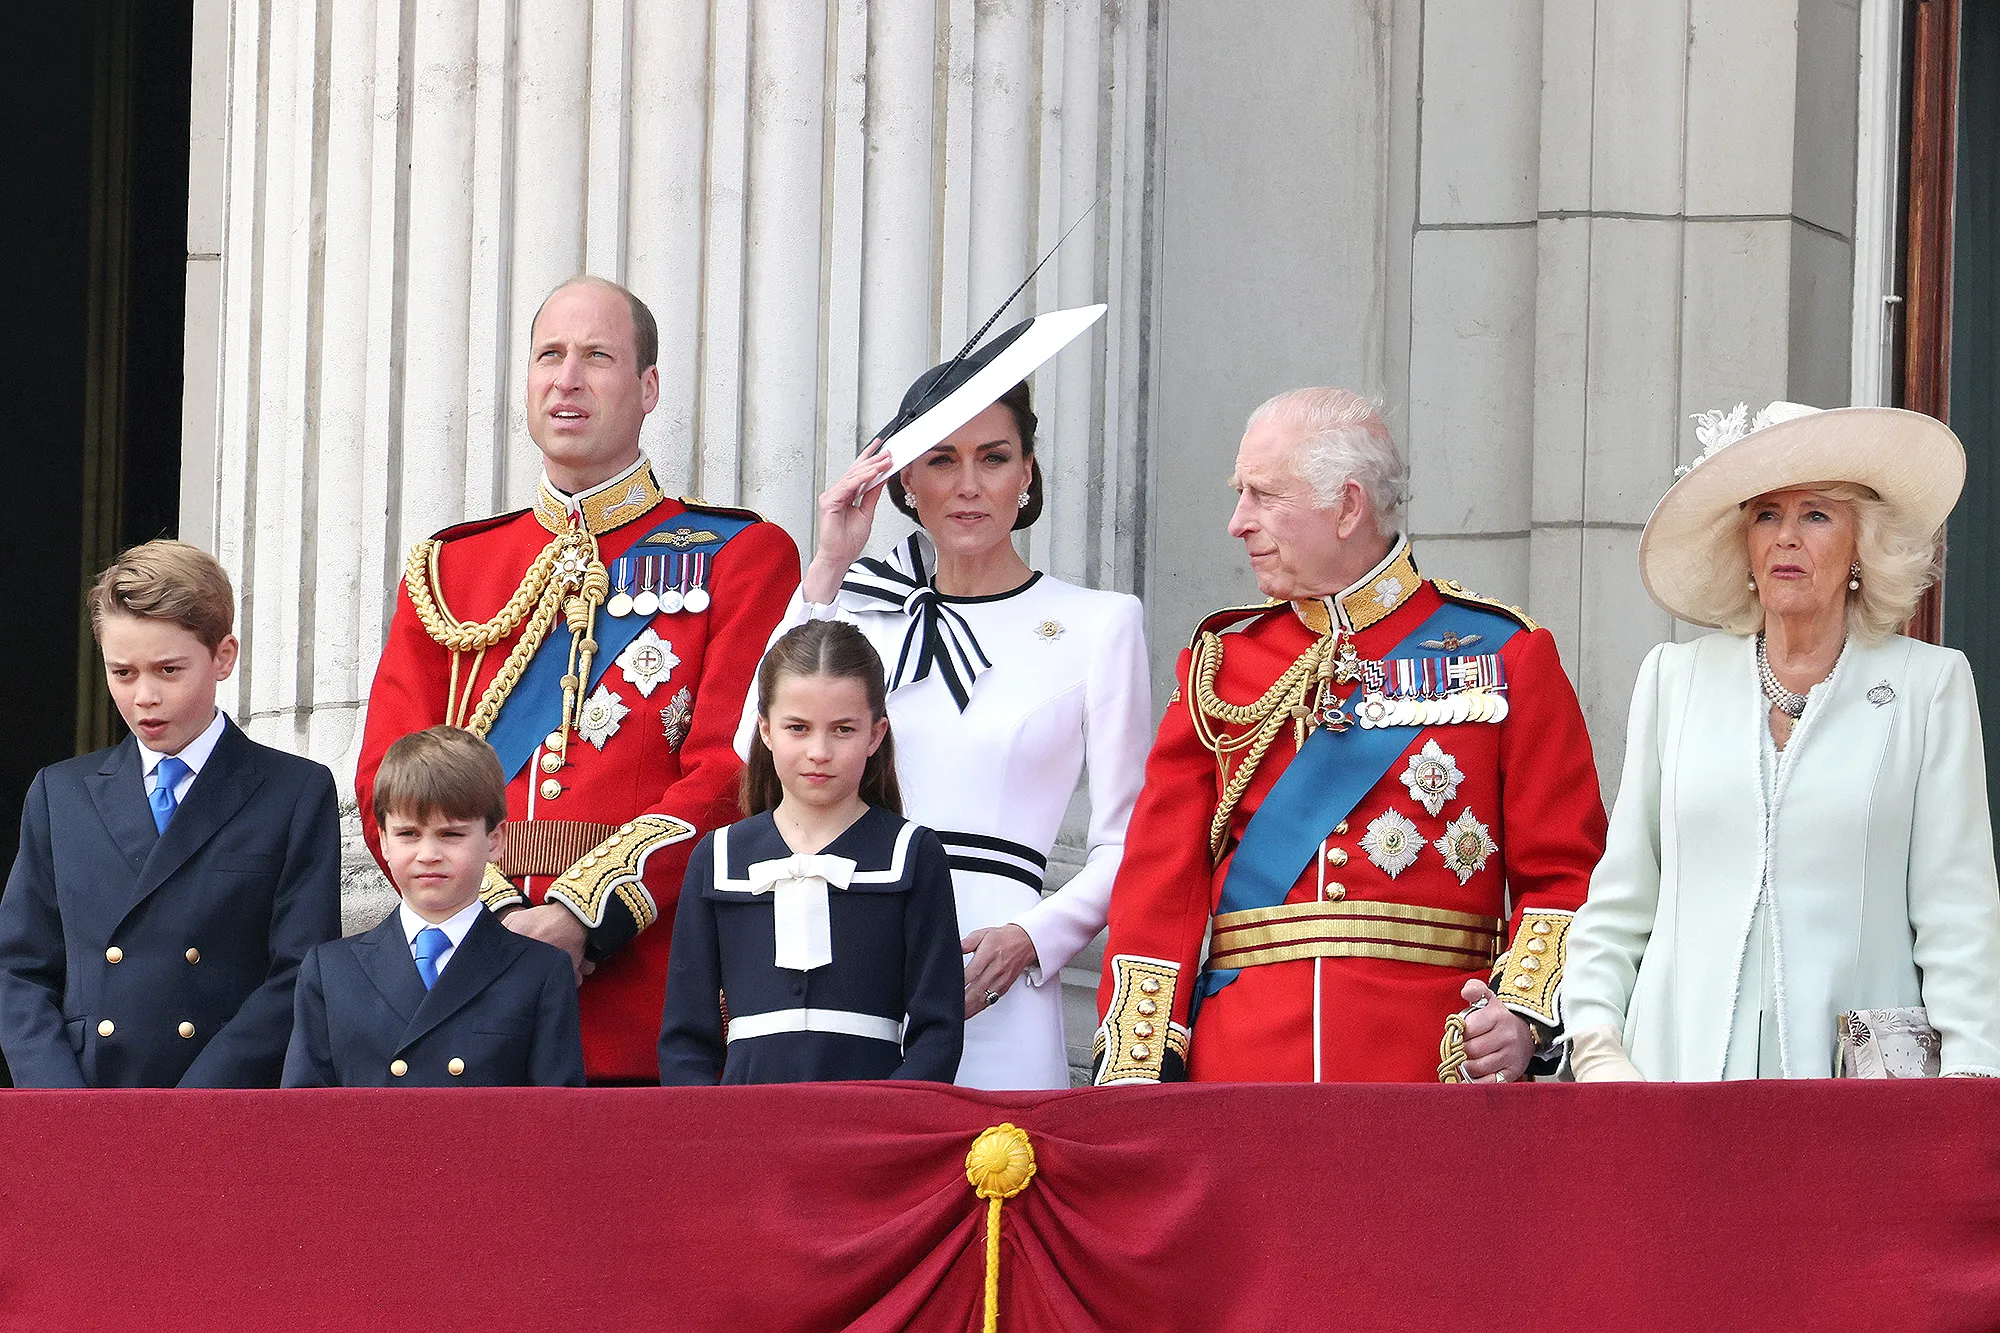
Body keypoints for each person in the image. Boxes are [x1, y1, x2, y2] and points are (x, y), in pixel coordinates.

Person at [1091, 389, 1607, 1085]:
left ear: (1348, 506)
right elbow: (1159, 885)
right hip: (1240, 1073)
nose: (1237, 521)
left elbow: (1566, 874)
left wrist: (1520, 1014)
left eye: (1263, 495)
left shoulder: (1505, 653)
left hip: (1433, 1073)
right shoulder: (1223, 665)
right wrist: (1134, 1074)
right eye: (1240, 493)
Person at [356, 276, 801, 1083]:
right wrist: (493, 920)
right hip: (465, 979)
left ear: (647, 387)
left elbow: (732, 770)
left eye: (598, 356)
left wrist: (579, 916)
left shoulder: (740, 555)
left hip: (646, 991)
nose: (568, 378)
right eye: (549, 356)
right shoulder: (451, 568)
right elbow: (387, 777)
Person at [745, 354, 1152, 1090]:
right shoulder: (860, 611)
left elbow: (1131, 842)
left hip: (993, 967)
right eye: (942, 459)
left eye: (993, 458)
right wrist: (829, 563)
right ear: (904, 478)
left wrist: (1034, 937)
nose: (968, 485)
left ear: (1026, 472)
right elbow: (759, 743)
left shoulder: (1101, 624)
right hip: (845, 947)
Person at [1564, 403, 2000, 1080]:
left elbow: (1959, 918)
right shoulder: (1674, 680)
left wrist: (1970, 1085)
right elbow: (1620, 899)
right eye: (1767, 514)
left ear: (1862, 544)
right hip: (1674, 1083)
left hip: (1858, 1101)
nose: (1785, 537)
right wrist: (1597, 1049)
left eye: (1816, 514)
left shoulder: (1928, 686)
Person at [0, 541, 341, 1087]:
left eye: (168, 670)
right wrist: (56, 1098)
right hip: (86, 1101)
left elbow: (300, 972)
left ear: (223, 657)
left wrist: (195, 1104)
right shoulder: (59, 793)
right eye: (123, 673)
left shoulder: (294, 791)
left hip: (222, 1103)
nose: (144, 697)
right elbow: (20, 968)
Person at [661, 621, 962, 1084]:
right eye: (797, 728)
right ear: (764, 729)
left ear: (875, 734)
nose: (819, 751)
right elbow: (685, 1038)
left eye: (843, 729)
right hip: (744, 1129)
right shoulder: (718, 856)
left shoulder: (912, 852)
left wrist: (892, 1122)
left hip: (870, 1126)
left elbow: (938, 1030)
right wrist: (714, 1133)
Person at [284, 727, 584, 1087]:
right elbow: (303, 1122)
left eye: (451, 834)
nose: (428, 855)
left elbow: (555, 1124)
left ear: (494, 840)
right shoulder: (330, 972)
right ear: (383, 840)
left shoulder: (539, 971)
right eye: (408, 834)